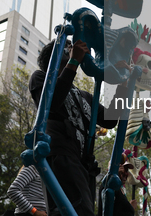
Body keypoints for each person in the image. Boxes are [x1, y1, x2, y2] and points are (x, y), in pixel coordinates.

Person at [29, 39, 129, 216]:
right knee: (79, 210)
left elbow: (110, 119)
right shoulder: (41, 77)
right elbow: (51, 104)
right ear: (58, 54)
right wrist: (73, 61)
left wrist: (123, 85)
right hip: (61, 154)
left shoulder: (83, 95)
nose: (74, 48)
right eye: (69, 46)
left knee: (78, 210)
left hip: (83, 163)